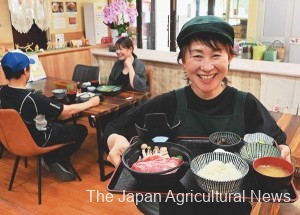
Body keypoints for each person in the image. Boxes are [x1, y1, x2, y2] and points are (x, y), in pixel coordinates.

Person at [103, 16, 291, 215]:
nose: (207, 67)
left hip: (232, 207)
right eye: (197, 56)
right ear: (183, 61)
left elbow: (277, 140)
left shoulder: (247, 104)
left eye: (216, 55)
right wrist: (115, 141)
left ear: (230, 58)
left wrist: (283, 150)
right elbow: (115, 129)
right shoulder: (168, 102)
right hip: (177, 206)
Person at [0, 50, 101, 182]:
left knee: (56, 122)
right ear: (25, 70)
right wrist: (90, 102)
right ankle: (54, 158)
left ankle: (52, 157)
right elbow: (67, 111)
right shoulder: (33, 99)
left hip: (13, 140)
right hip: (40, 139)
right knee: (81, 129)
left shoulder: (1, 91)